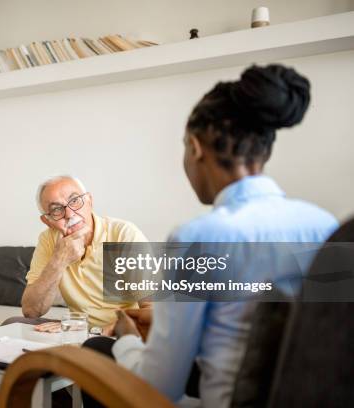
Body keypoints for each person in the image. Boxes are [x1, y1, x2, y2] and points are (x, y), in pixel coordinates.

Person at [83, 64, 338, 407]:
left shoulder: (198, 237)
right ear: (265, 151)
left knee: (98, 350)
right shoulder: (326, 226)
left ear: (195, 147)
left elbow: (159, 389)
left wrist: (127, 340)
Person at [2, 175, 148, 333]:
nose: (70, 214)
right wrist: (59, 259)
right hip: (78, 328)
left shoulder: (123, 234)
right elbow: (31, 310)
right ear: (47, 220)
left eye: (75, 200)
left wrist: (100, 331)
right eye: (56, 209)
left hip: (119, 330)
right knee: (13, 324)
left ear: (90, 201)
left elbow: (154, 309)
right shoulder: (48, 240)